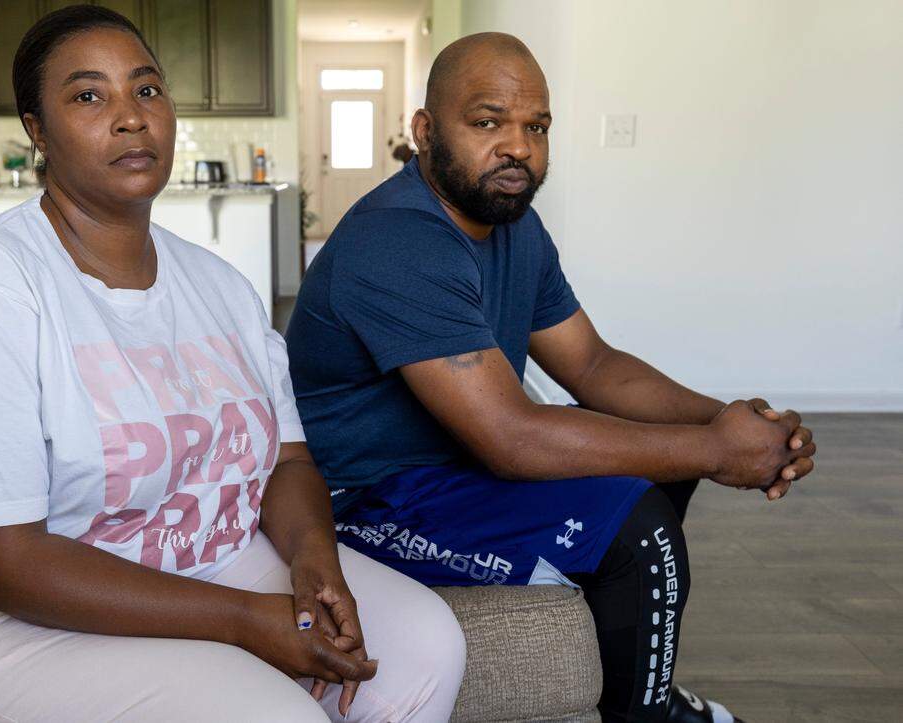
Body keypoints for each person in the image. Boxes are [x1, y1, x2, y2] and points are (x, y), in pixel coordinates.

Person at [0, 7, 465, 722]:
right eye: (89, 95)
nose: (131, 117)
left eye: (147, 89)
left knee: (427, 645)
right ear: (37, 130)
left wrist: (316, 558)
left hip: (211, 557)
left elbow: (287, 462)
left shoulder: (222, 287)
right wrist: (242, 619)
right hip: (1, 622)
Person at [286, 32, 818, 723]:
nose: (519, 147)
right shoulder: (398, 240)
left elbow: (594, 364)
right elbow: (512, 438)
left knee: (663, 461)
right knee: (642, 528)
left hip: (451, 473)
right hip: (364, 503)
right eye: (488, 123)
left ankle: (642, 690)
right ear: (424, 132)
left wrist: (731, 423)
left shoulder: (516, 227)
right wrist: (718, 450)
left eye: (536, 127)